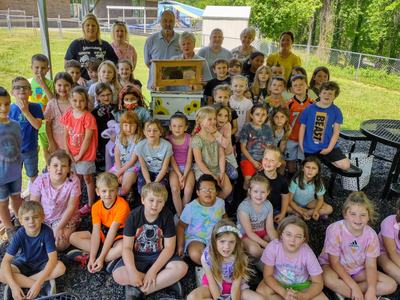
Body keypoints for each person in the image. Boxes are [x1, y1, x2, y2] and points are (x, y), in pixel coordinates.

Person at [112, 183, 188, 298]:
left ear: (164, 203)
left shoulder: (167, 216)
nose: (155, 205)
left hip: (159, 255)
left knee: (181, 268)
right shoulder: (133, 216)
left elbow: (169, 248)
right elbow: (127, 248)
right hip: (137, 255)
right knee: (118, 274)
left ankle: (139, 291)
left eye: (159, 201)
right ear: (143, 199)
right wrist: (133, 272)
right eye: (151, 200)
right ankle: (165, 282)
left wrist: (152, 272)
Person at [319, 192, 397, 299]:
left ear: (368, 216)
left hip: (357, 269)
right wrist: (354, 287)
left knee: (391, 285)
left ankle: (345, 293)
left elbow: (370, 266)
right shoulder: (335, 230)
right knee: (327, 278)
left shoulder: (371, 235)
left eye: (363, 215)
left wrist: (371, 289)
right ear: (345, 214)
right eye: (353, 214)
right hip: (333, 267)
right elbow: (334, 263)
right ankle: (357, 294)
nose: (358, 219)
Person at [0, 201, 66, 300]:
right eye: (26, 219)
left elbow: (52, 260)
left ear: (42, 218)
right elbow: (6, 261)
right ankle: (42, 286)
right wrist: (14, 286)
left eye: (35, 217)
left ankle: (22, 282)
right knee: (1, 273)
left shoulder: (47, 232)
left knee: (61, 268)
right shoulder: (20, 234)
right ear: (21, 221)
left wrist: (38, 282)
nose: (31, 221)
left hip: (42, 264)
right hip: (23, 262)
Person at [68, 172, 130, 273]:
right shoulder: (96, 206)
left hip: (117, 235)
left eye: (112, 191)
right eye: (104, 191)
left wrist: (100, 258)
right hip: (102, 234)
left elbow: (112, 232)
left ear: (117, 191)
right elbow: (96, 232)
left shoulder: (122, 206)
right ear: (98, 191)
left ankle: (96, 258)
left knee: (123, 247)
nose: (108, 195)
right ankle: (104, 258)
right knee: (73, 237)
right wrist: (93, 258)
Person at [187, 219, 263, 300]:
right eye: (222, 241)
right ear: (214, 241)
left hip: (236, 289)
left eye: (231, 242)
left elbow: (236, 287)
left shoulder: (240, 257)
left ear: (236, 242)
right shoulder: (206, 257)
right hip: (214, 286)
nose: (227, 247)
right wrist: (218, 298)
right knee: (192, 297)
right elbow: (212, 283)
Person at [256, 215, 327, 300]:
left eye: (298, 236)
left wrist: (304, 296)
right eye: (288, 234)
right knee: (261, 292)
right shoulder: (273, 247)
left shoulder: (307, 253)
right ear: (281, 234)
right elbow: (268, 275)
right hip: (278, 282)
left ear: (304, 239)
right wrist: (284, 293)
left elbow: (318, 282)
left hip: (301, 284)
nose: (292, 240)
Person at [30, 150, 81, 251]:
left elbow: (71, 206)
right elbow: (34, 205)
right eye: (55, 165)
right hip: (44, 217)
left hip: (64, 218)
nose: (59, 169)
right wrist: (38, 223)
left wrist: (59, 228)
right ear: (48, 168)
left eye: (63, 166)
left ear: (68, 169)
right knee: (35, 241)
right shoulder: (41, 180)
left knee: (59, 245)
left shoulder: (73, 181)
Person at [60, 86, 98, 211]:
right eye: (75, 100)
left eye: (81, 100)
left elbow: (87, 139)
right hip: (72, 154)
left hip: (85, 155)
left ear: (86, 101)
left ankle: (91, 204)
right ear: (70, 100)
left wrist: (79, 156)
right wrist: (67, 151)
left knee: (87, 178)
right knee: (76, 178)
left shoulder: (88, 117)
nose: (78, 104)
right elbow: (65, 134)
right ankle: (76, 201)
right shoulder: (69, 114)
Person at [299, 81, 351, 171]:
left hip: (327, 146)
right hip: (311, 147)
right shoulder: (309, 108)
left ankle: (323, 158)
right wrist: (301, 145)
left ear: (335, 96)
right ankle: (319, 160)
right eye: (324, 93)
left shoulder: (336, 111)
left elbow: (336, 133)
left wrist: (329, 149)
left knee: (346, 166)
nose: (327, 95)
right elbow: (302, 127)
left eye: (330, 94)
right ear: (319, 94)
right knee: (310, 170)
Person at [177, 174, 226, 265]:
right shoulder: (191, 207)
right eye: (204, 190)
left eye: (211, 189)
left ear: (216, 192)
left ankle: (216, 266)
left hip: (215, 238)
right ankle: (213, 268)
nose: (208, 192)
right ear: (198, 192)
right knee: (195, 254)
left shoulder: (220, 203)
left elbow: (224, 217)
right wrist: (180, 246)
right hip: (196, 239)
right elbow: (180, 226)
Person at [9, 77, 43, 195]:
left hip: (30, 150)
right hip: (13, 151)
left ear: (30, 92)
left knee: (33, 175)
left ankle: (35, 198)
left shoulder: (36, 107)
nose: (22, 89)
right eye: (17, 87)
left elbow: (37, 125)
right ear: (12, 92)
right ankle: (17, 199)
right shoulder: (9, 109)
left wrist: (25, 111)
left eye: (25, 87)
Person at [192, 107, 232, 199]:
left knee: (227, 189)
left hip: (217, 168)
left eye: (214, 119)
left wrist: (222, 172)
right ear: (200, 121)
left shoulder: (216, 136)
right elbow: (199, 161)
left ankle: (215, 205)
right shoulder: (197, 139)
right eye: (210, 119)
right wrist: (212, 175)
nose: (213, 121)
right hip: (203, 170)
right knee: (209, 190)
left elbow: (221, 155)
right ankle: (207, 205)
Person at [65, 13, 118, 81]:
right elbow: (67, 65)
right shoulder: (76, 44)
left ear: (97, 27)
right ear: (83, 27)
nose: (90, 28)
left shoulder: (105, 45)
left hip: (101, 83)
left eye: (93, 25)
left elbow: (115, 64)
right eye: (88, 25)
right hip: (82, 84)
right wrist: (78, 78)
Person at [0, 87, 23, 241]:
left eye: (7, 104)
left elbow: (18, 145)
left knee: (16, 198)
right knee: (3, 202)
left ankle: (21, 221)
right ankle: (9, 227)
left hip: (15, 171)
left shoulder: (15, 124)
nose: (4, 108)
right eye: (0, 105)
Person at [237, 175, 277, 259]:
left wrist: (277, 243)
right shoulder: (243, 207)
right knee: (255, 250)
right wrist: (267, 245)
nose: (259, 195)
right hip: (246, 235)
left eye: (262, 192)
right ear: (249, 191)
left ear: (268, 192)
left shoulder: (268, 205)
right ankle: (271, 257)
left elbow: (270, 228)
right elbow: (249, 233)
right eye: (255, 191)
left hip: (262, 231)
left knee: (277, 240)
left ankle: (276, 253)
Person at [144, 10, 181, 89]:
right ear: (160, 22)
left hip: (176, 86)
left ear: (175, 22)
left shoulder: (181, 40)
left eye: (171, 21)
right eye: (165, 21)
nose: (168, 24)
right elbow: (148, 63)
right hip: (156, 85)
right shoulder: (151, 40)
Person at [288, 156, 333, 221]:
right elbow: (290, 200)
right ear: (303, 168)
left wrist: (316, 211)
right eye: (307, 167)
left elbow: (320, 199)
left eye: (314, 168)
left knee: (329, 208)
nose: (310, 170)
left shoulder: (318, 182)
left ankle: (303, 214)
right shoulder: (295, 181)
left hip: (309, 202)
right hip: (295, 203)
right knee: (284, 206)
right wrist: (300, 211)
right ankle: (304, 213)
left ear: (318, 171)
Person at [167, 113, 195, 216]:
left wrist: (185, 175)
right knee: (175, 189)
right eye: (174, 126)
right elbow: (172, 159)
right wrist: (179, 175)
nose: (177, 129)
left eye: (180, 126)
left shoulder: (189, 139)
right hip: (174, 169)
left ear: (186, 127)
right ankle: (179, 215)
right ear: (170, 127)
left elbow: (189, 159)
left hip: (188, 168)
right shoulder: (168, 139)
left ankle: (184, 215)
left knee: (188, 189)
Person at [240, 104, 274, 190]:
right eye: (257, 114)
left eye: (263, 115)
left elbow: (269, 148)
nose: (260, 117)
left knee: (264, 181)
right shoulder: (246, 128)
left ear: (267, 116)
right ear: (251, 115)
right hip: (248, 159)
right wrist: (253, 162)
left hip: (263, 159)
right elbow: (243, 148)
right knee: (248, 180)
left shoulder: (268, 129)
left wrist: (264, 161)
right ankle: (247, 198)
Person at [29, 54, 55, 164]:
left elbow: (52, 101)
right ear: (31, 68)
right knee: (39, 149)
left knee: (49, 147)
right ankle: (46, 168)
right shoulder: (28, 83)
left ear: (48, 69)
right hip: (32, 121)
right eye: (37, 67)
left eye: (43, 68)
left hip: (46, 122)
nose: (40, 70)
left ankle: (51, 167)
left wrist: (43, 85)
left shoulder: (50, 83)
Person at [285, 74, 313, 176]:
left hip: (305, 138)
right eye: (295, 85)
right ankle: (291, 178)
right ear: (292, 88)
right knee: (290, 161)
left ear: (307, 86)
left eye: (301, 84)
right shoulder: (289, 104)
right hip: (291, 137)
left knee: (304, 161)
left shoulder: (312, 103)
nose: (298, 87)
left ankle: (302, 179)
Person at [135, 119, 172, 194]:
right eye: (149, 130)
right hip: (146, 171)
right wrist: (148, 182)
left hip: (160, 172)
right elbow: (143, 167)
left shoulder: (167, 145)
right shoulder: (140, 146)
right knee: (142, 191)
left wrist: (155, 182)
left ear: (160, 132)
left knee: (158, 191)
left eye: (155, 130)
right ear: (144, 132)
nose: (152, 133)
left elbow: (164, 168)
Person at [111, 111, 143, 196]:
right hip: (119, 166)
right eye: (126, 125)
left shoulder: (139, 139)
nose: (128, 128)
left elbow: (133, 160)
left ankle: (125, 199)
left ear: (137, 126)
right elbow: (117, 154)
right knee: (107, 183)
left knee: (124, 190)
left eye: (132, 125)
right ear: (121, 125)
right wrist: (119, 171)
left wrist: (119, 173)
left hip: (132, 167)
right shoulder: (119, 136)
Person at [259, 145, 290, 224]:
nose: (268, 162)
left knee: (282, 226)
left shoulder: (282, 180)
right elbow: (249, 195)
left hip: (275, 209)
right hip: (258, 209)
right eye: (266, 159)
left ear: (278, 164)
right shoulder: (257, 178)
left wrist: (282, 213)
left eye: (272, 160)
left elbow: (285, 197)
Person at [45, 72, 73, 153]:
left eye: (66, 85)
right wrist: (51, 143)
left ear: (71, 85)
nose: (63, 88)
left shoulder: (75, 102)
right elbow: (48, 125)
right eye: (59, 85)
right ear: (55, 85)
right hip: (57, 144)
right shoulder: (52, 104)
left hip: (74, 144)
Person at [92, 83, 116, 172]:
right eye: (102, 95)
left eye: (108, 94)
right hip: (101, 145)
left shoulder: (117, 109)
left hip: (115, 143)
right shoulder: (94, 113)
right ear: (97, 97)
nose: (106, 98)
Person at [378, 198, 400, 284]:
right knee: (391, 269)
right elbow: (392, 253)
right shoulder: (388, 223)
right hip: (383, 253)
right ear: (398, 211)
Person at [215, 105, 238, 181]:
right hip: (213, 156)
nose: (223, 118)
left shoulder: (227, 125)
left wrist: (215, 132)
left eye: (226, 116)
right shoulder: (209, 124)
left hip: (226, 154)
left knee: (234, 175)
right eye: (219, 115)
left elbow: (227, 148)